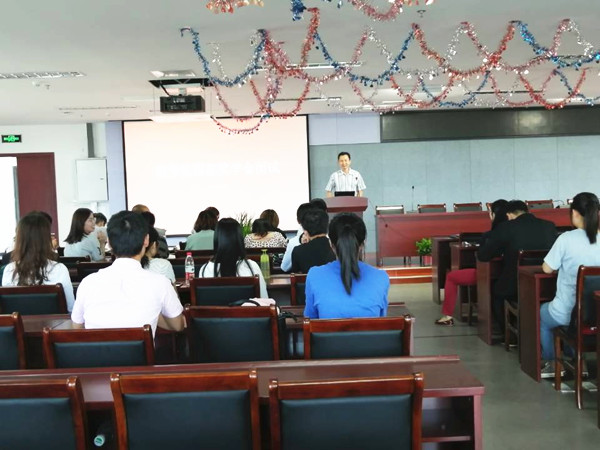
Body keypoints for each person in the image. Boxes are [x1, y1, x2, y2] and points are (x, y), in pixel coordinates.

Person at [71, 211, 185, 335]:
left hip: (95, 348)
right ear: (146, 240)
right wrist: (154, 311)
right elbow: (178, 325)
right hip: (143, 348)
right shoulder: (161, 283)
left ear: (109, 242)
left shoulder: (88, 283)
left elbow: (76, 328)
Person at [539, 192, 600, 378]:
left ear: (574, 213)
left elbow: (547, 269)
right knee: (578, 321)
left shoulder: (566, 239)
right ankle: (580, 362)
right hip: (596, 314)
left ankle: (552, 363)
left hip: (569, 312)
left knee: (542, 314)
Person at [478, 200, 557, 332]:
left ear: (509, 215)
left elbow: (484, 256)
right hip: (546, 285)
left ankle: (508, 332)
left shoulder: (506, 227)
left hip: (515, 286)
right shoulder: (549, 226)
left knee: (496, 291)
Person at [435, 199, 509, 325]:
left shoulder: (490, 235)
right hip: (509, 275)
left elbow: (481, 257)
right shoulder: (516, 232)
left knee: (451, 277)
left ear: (494, 215)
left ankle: (447, 316)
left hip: (487, 274)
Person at [304, 213, 389, 319]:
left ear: (332, 245)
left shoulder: (314, 276)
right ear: (362, 245)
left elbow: (310, 320)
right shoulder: (381, 277)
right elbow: (381, 321)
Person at [2, 212, 75, 311]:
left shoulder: (9, 270)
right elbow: (70, 308)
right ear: (46, 239)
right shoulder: (59, 269)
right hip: (54, 321)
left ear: (20, 239)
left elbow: (7, 310)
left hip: (20, 321)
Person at [198, 218, 268, 298]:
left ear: (217, 239)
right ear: (240, 239)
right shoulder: (251, 267)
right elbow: (264, 299)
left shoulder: (205, 270)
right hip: (246, 306)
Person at [291, 208, 336, 273]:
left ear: (305, 231)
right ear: (327, 226)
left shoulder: (298, 251)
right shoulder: (335, 248)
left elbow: (296, 275)